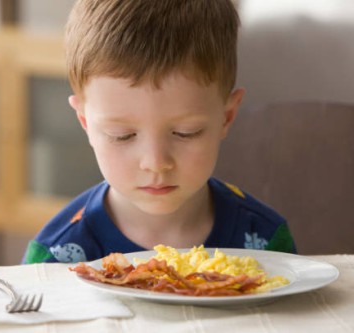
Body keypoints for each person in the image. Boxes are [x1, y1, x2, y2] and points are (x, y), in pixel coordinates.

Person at [23, 0, 296, 264]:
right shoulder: (54, 259)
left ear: (226, 117)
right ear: (84, 121)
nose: (156, 162)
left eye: (185, 132)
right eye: (122, 134)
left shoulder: (267, 243)